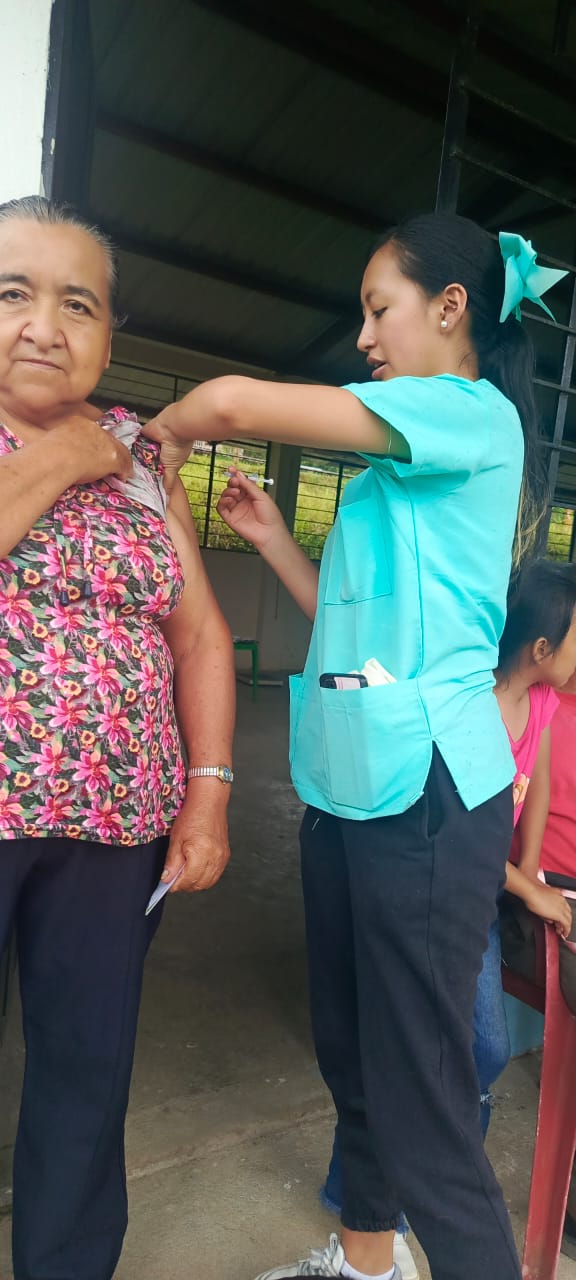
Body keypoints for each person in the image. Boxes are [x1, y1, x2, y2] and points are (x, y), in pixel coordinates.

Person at [146, 214, 566, 1280]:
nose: (366, 335)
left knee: (424, 1091)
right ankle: (369, 1263)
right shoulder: (396, 474)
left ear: (452, 307)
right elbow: (349, 628)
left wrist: (175, 428)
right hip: (354, 784)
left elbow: (233, 402)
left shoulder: (465, 415)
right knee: (357, 1053)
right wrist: (272, 539)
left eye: (380, 309)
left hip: (428, 792)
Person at [0, 195, 235, 1280]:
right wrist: (63, 459)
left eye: (77, 304)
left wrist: (209, 792)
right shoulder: (95, 448)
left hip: (115, 831)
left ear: (109, 331)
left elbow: (200, 635)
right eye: (13, 294)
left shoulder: (145, 455)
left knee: (86, 1072)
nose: (44, 326)